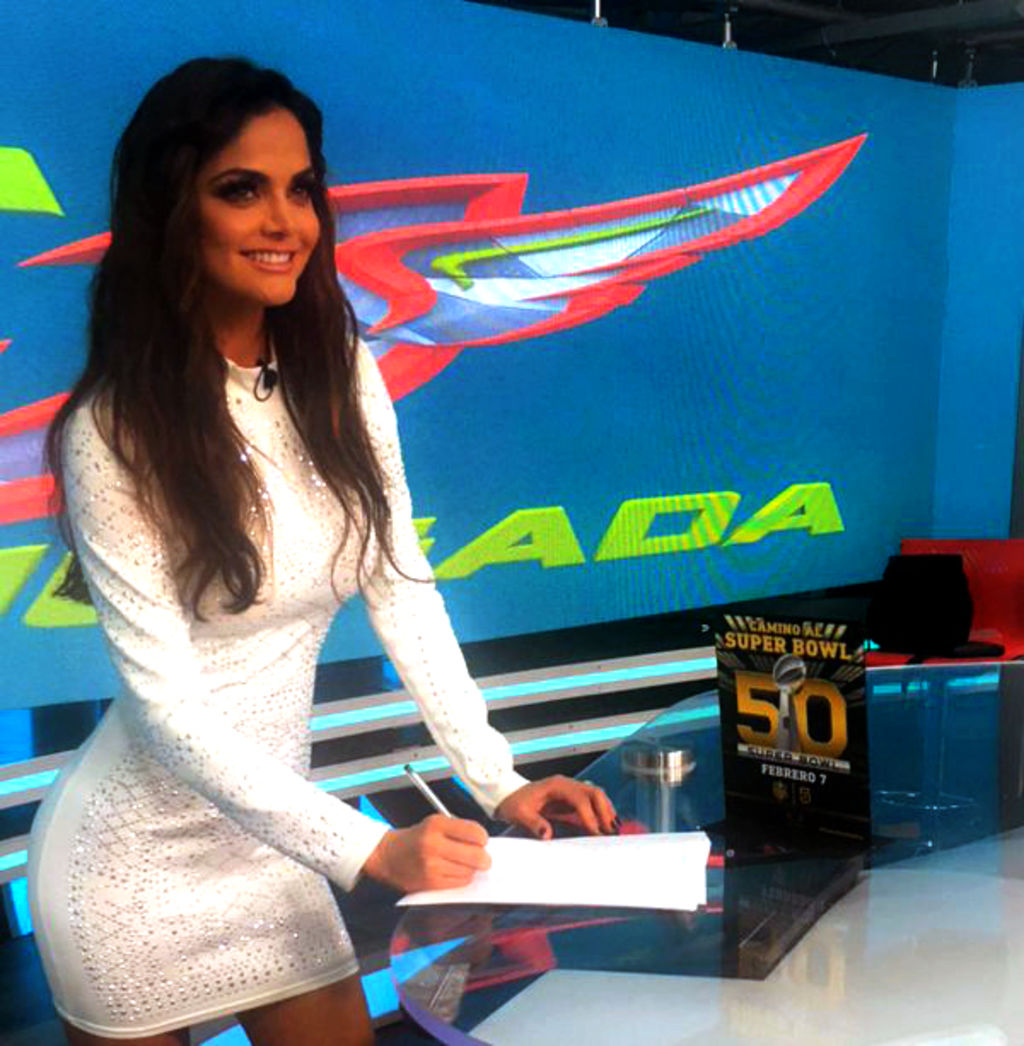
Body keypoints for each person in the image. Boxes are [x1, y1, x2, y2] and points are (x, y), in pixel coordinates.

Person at [27, 57, 617, 1046]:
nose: (284, 221)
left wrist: (499, 778)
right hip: (129, 869)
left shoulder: (338, 367)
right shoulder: (112, 431)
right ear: (171, 208)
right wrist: (371, 848)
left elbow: (402, 585)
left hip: (278, 850)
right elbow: (167, 712)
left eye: (300, 189)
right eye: (240, 189)